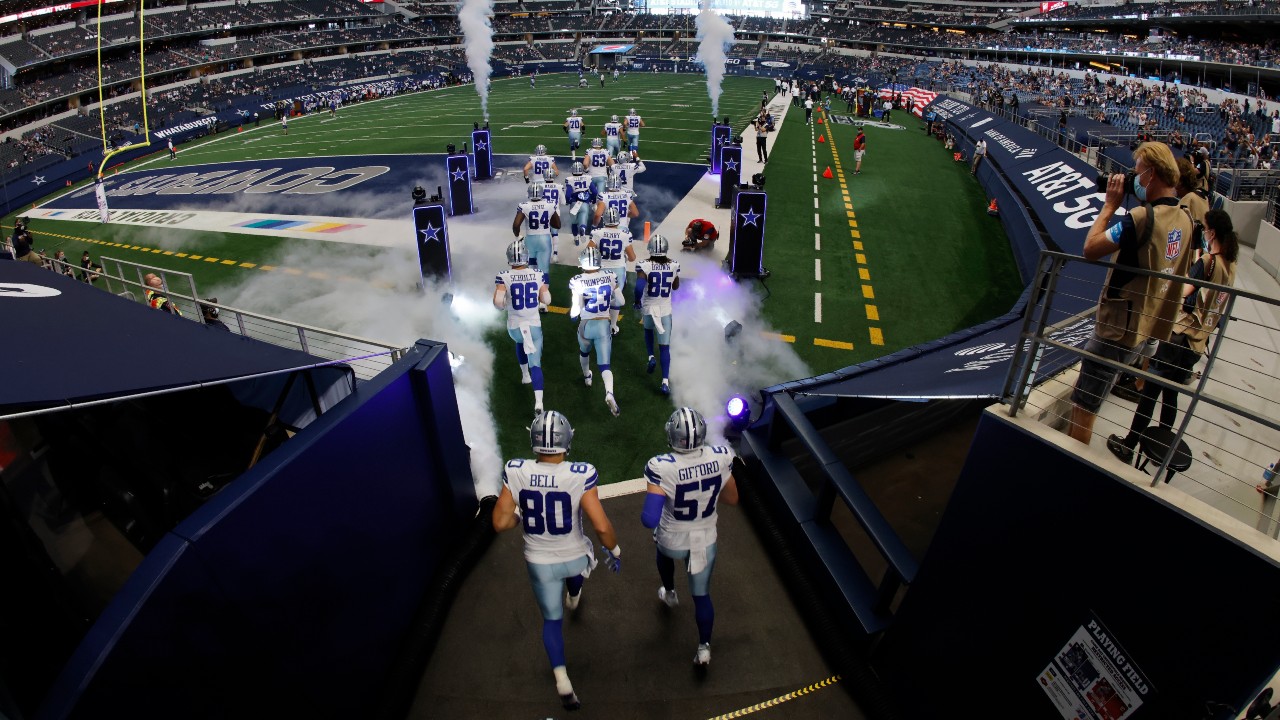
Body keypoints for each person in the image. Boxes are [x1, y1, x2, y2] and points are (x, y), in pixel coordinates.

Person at [492, 410, 621, 711]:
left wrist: (519, 517)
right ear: (567, 441)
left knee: (551, 621)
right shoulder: (581, 473)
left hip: (539, 560)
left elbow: (499, 522)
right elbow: (601, 526)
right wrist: (615, 551)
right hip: (574, 554)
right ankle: (574, 594)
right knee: (577, 570)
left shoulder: (517, 470)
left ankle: (562, 679)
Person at [1067, 141, 1194, 445]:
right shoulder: (1186, 218)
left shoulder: (1141, 218)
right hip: (1147, 326)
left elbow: (1091, 249)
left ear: (1150, 174)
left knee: (1084, 405)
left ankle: (1070, 466)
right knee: (1093, 395)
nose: (1132, 179)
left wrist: (1110, 205)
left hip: (1117, 328)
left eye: (1137, 172)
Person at [1106, 209, 1238, 464]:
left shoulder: (1209, 261)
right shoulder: (1230, 265)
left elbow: (1183, 290)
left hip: (1179, 336)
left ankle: (1130, 444)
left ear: (1211, 232)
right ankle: (1160, 445)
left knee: (1150, 393)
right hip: (1197, 344)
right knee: (1171, 394)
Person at [641, 407, 739, 666]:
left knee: (660, 545)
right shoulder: (721, 457)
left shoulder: (661, 466)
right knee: (702, 595)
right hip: (704, 539)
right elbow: (733, 498)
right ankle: (704, 647)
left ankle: (670, 593)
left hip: (672, 538)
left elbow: (648, 518)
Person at [494, 240, 552, 416]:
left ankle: (524, 376)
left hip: (514, 327)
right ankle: (539, 402)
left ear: (509, 259)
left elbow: (498, 303)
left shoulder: (503, 275)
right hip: (533, 325)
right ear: (526, 257)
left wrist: (505, 303)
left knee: (520, 342)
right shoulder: (537, 273)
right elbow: (547, 300)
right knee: (537, 364)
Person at [568, 246, 623, 416]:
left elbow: (575, 310)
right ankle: (609, 393)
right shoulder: (610, 276)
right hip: (603, 325)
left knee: (584, 352)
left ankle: (587, 377)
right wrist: (608, 298)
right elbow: (620, 300)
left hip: (586, 324)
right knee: (605, 365)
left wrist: (573, 316)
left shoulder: (577, 280)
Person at [633, 234, 681, 394]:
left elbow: (639, 288)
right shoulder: (674, 265)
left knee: (648, 331)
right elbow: (675, 287)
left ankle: (651, 357)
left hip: (649, 308)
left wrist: (637, 301)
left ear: (650, 249)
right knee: (665, 347)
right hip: (665, 310)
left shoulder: (644, 265)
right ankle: (665, 382)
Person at [587, 206, 635, 336]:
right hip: (618, 270)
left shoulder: (597, 233)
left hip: (601, 269)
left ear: (604, 219)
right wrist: (624, 255)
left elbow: (588, 253)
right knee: (615, 299)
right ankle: (613, 326)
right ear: (618, 221)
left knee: (599, 296)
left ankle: (597, 324)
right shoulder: (625, 234)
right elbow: (632, 258)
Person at [513, 181, 561, 274]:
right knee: (544, 270)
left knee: (531, 269)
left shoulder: (524, 206)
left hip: (530, 239)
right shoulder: (549, 205)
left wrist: (517, 236)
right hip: (545, 239)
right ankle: (545, 288)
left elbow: (516, 225)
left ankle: (533, 287)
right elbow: (557, 225)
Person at [564, 161, 597, 248]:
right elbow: (594, 191)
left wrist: (568, 201)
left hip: (575, 203)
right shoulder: (588, 178)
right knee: (583, 220)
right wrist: (593, 201)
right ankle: (582, 228)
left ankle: (576, 238)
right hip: (584, 203)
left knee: (574, 223)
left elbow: (568, 194)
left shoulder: (570, 179)